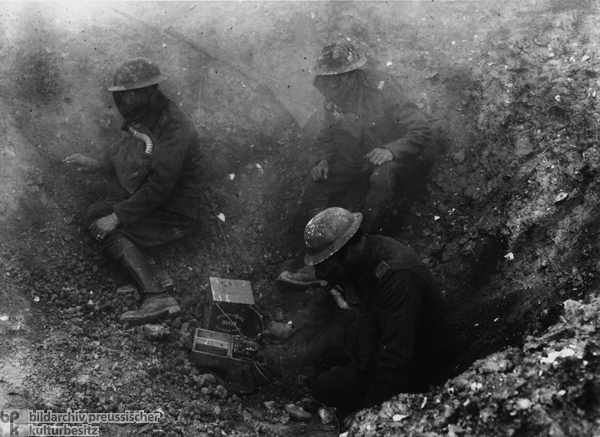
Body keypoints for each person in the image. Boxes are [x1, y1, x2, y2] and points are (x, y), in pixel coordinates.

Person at [262, 207, 445, 427]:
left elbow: (397, 359)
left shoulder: (397, 275)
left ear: (345, 253)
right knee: (315, 358)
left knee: (325, 390)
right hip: (375, 336)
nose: (320, 274)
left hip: (413, 365)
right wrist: (291, 327)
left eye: (324, 266)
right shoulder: (358, 257)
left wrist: (369, 412)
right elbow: (329, 293)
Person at [278, 40, 432, 287]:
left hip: (392, 158)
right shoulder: (333, 94)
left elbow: (422, 129)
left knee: (383, 175)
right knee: (318, 181)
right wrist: (322, 159)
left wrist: (391, 150)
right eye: (325, 79)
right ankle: (320, 265)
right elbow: (327, 132)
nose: (329, 85)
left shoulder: (381, 88)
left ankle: (360, 256)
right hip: (358, 159)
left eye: (335, 79)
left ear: (351, 75)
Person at [65, 57, 204, 326]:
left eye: (129, 95)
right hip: (162, 206)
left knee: (102, 223)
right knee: (96, 212)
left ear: (149, 91)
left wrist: (118, 216)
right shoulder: (149, 115)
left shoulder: (174, 125)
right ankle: (154, 272)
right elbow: (129, 146)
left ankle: (157, 295)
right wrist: (98, 164)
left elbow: (161, 184)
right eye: (121, 96)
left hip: (177, 213)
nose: (124, 102)